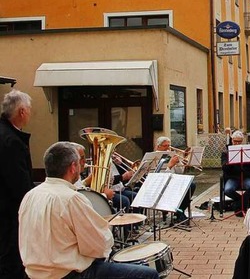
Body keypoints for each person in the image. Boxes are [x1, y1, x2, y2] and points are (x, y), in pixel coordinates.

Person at [18, 142, 158, 279]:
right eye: (79, 163)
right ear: (73, 167)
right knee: (148, 274)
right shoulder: (71, 198)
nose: (82, 167)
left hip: (33, 273)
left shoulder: (30, 195)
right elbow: (99, 245)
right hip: (68, 274)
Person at [0, 89, 33, 279]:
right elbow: (18, 184)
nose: (29, 114)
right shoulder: (11, 141)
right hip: (9, 212)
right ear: (21, 112)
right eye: (28, 110)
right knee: (11, 260)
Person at [156, 136, 196, 222]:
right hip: (162, 184)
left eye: (169, 145)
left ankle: (179, 211)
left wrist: (179, 163)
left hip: (174, 181)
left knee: (191, 184)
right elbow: (158, 176)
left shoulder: (171, 155)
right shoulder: (155, 157)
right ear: (158, 146)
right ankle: (178, 213)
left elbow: (180, 172)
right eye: (165, 146)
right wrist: (169, 166)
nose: (168, 148)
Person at [222, 131, 250, 216]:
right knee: (228, 190)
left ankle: (239, 205)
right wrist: (230, 163)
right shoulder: (226, 152)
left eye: (239, 141)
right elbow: (224, 169)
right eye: (235, 141)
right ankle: (241, 203)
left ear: (242, 141)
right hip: (232, 178)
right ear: (232, 140)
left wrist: (246, 167)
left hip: (245, 177)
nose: (237, 143)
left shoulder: (247, 151)